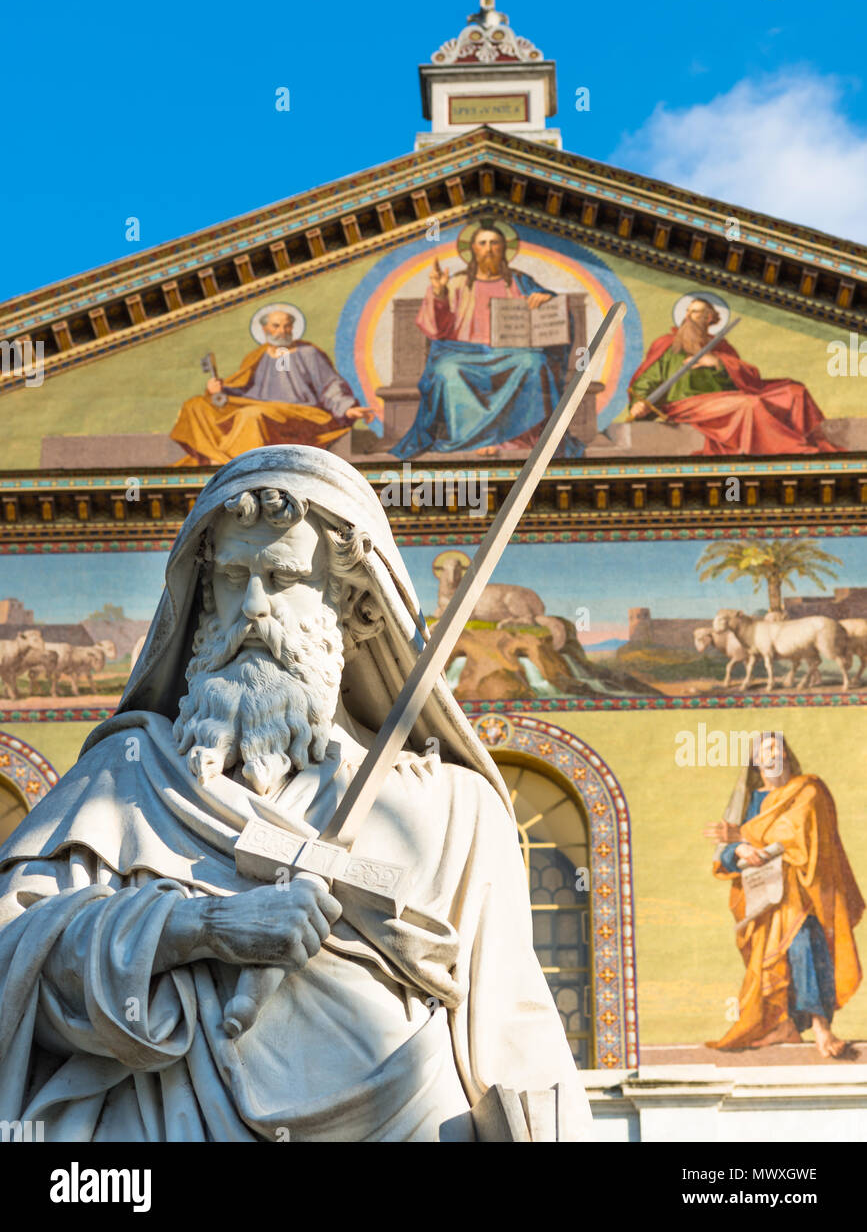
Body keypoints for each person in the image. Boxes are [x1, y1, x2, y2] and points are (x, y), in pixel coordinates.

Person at [0, 446, 591, 1142]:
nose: (252, 606)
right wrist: (201, 931)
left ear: (353, 606)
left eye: (281, 577)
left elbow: (514, 1028)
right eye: (232, 577)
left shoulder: (455, 809)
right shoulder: (125, 780)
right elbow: (15, 958)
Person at [704, 733, 863, 1056]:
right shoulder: (751, 800)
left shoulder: (808, 791)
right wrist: (741, 848)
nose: (773, 755)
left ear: (787, 757)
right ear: (756, 762)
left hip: (803, 891)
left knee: (805, 948)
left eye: (778, 749)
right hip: (763, 898)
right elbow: (725, 854)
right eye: (765, 751)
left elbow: (800, 834)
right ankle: (784, 1025)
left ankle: (821, 1028)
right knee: (769, 963)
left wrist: (746, 837)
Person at [392, 222, 579, 459]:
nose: (488, 249)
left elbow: (556, 309)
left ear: (504, 249)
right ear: (473, 250)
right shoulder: (457, 283)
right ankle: (471, 439)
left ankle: (514, 438)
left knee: (533, 362)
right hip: (463, 352)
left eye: (494, 243)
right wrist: (439, 293)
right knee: (447, 370)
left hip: (511, 353)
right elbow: (437, 330)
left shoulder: (521, 282)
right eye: (483, 243)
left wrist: (544, 298)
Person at [628, 296, 836, 456]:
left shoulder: (721, 346)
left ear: (709, 318)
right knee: (749, 404)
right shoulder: (669, 345)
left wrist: (719, 363)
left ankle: (809, 440)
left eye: (696, 313)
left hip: (725, 398)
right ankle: (793, 449)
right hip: (687, 404)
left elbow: (748, 378)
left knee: (794, 391)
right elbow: (646, 380)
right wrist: (639, 403)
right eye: (688, 312)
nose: (688, 317)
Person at [171, 309, 374, 465]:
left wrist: (347, 407)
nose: (282, 331)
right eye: (276, 326)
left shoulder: (308, 353)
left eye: (286, 327)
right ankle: (214, 457)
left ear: (293, 329)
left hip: (302, 413)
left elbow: (330, 386)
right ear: (265, 330)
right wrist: (218, 391)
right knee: (196, 404)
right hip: (261, 407)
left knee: (251, 416)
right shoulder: (257, 356)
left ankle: (238, 467)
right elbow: (244, 390)